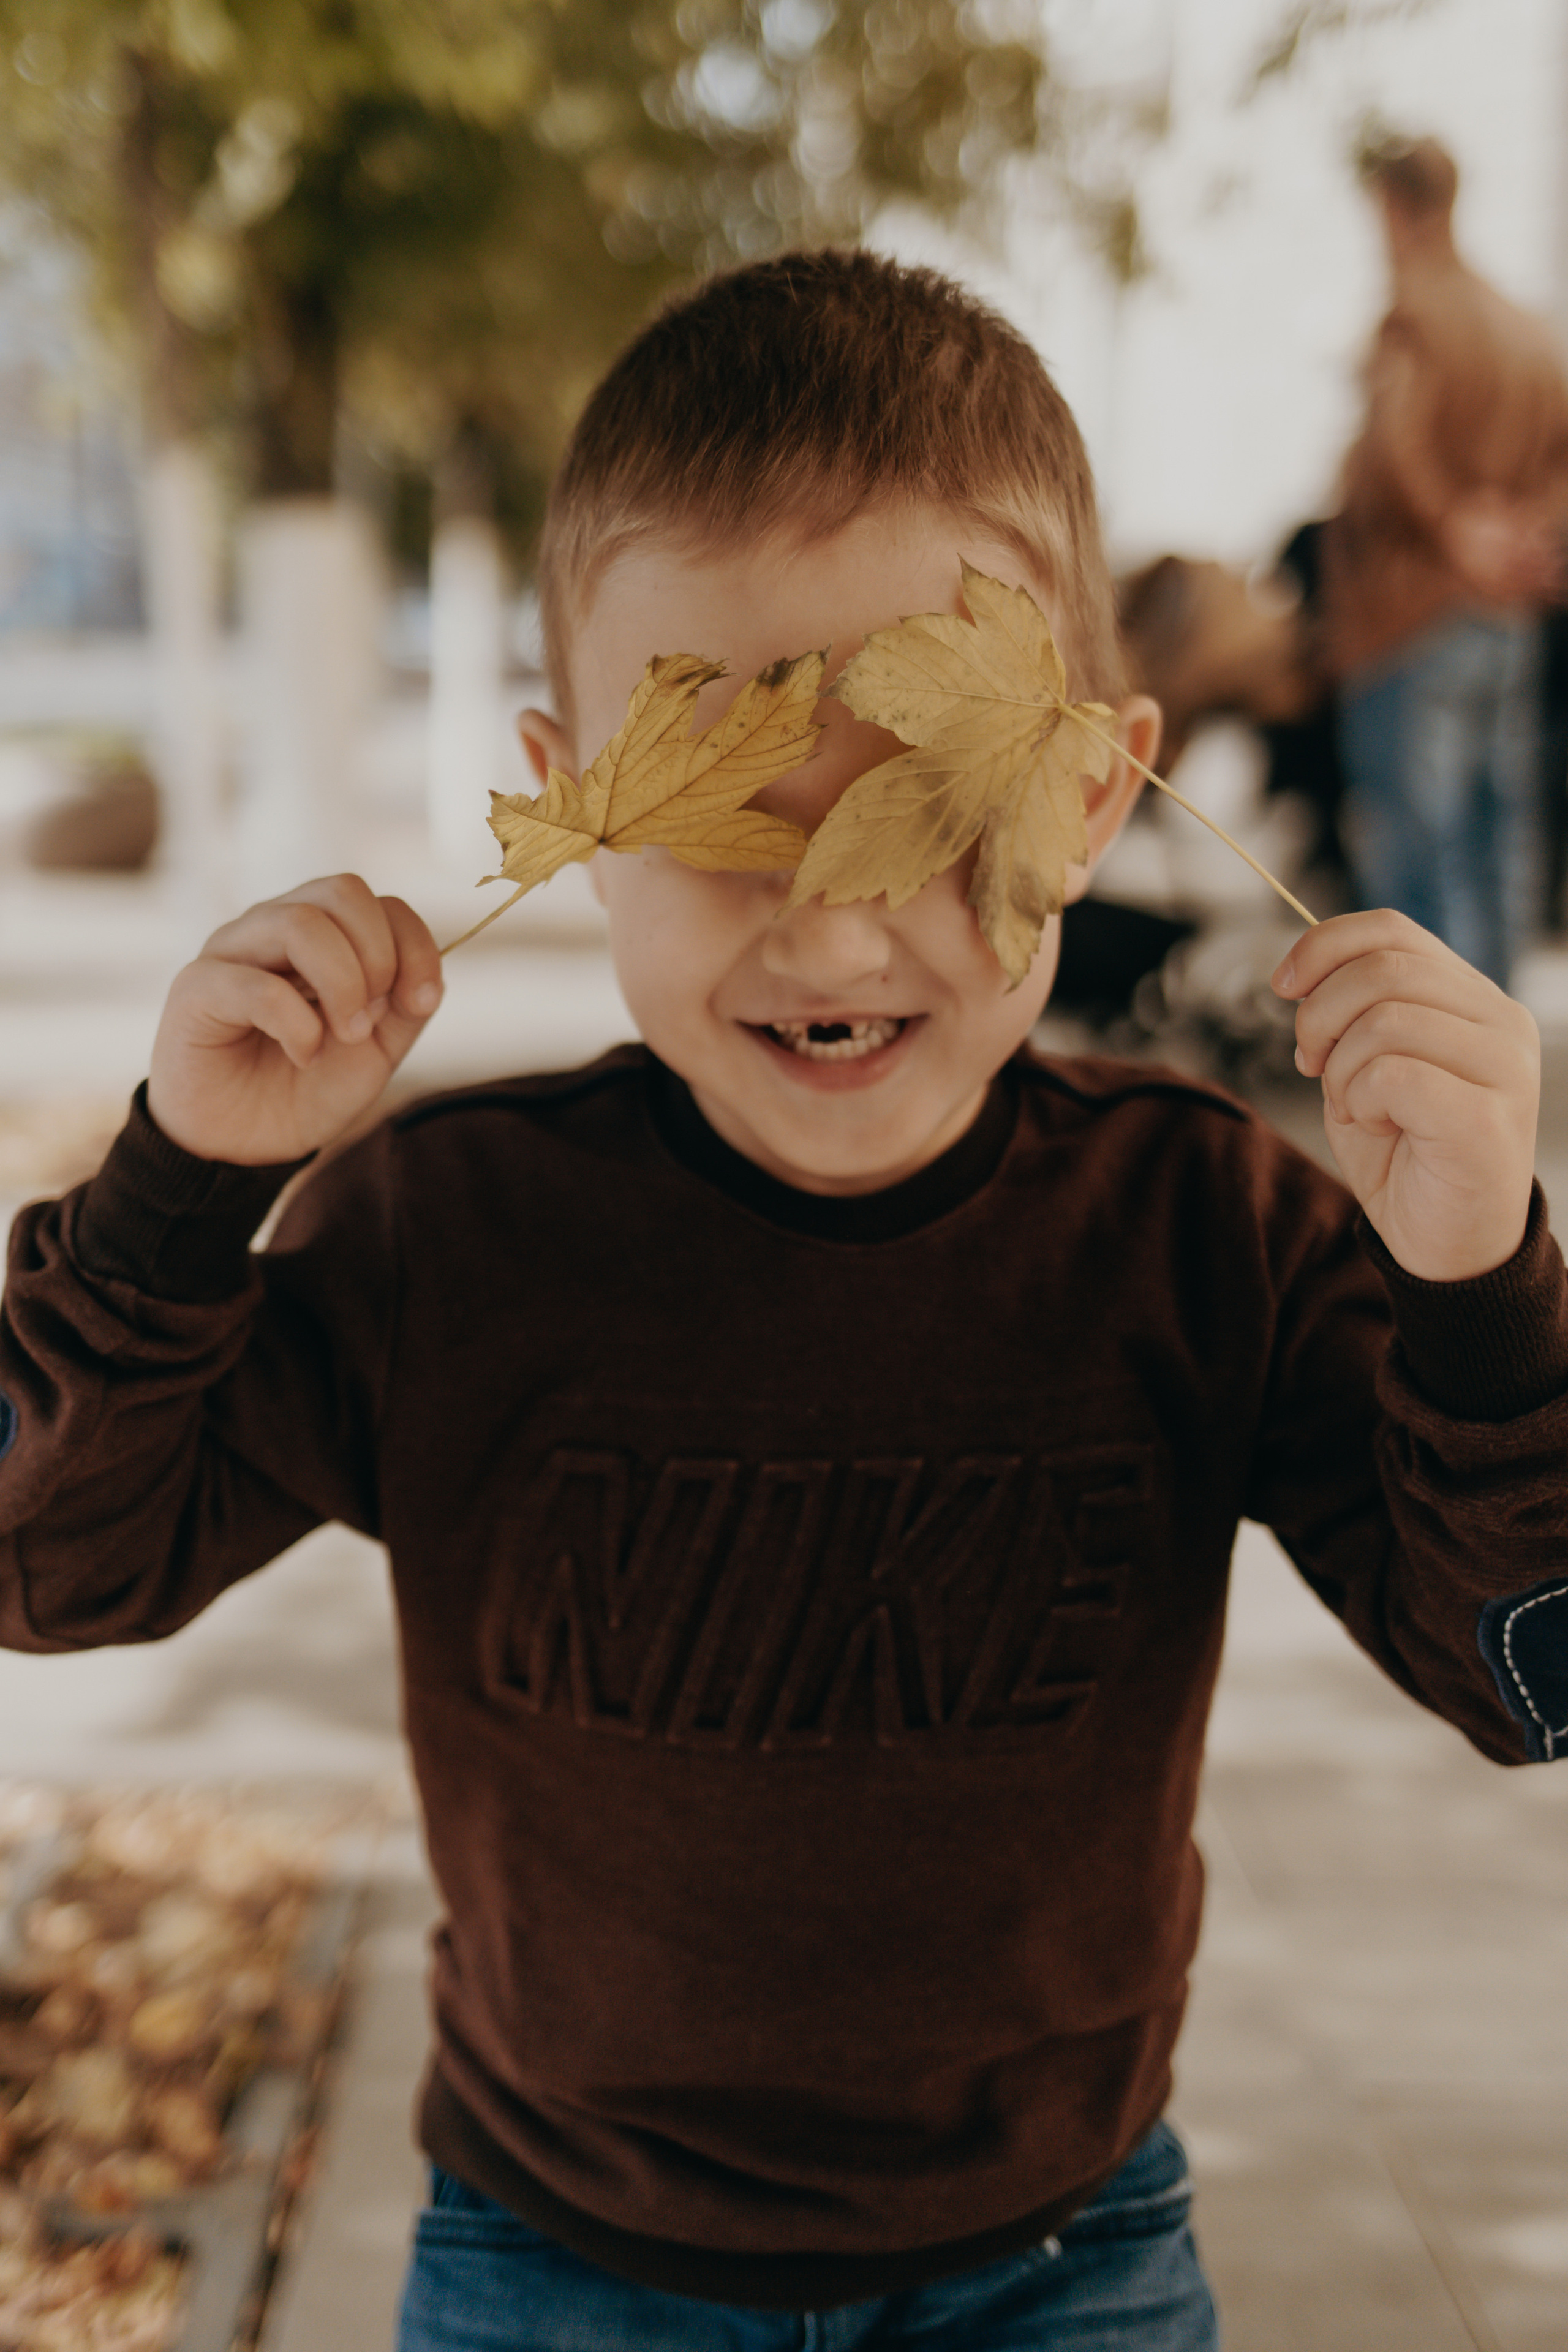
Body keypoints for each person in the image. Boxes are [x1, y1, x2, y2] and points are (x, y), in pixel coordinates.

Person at [2, 251, 1565, 2352]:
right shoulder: (448, 1233)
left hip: (1065, 2263)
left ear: (1097, 788)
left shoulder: (1208, 1236)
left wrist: (1479, 1279)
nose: (834, 927)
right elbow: (50, 1567)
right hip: (555, 2257)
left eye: (927, 808)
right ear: (577, 800)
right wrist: (183, 1194)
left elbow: (1529, 1673)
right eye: (733, 812)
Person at [1323, 133, 1568, 989]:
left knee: (1416, 853)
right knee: (1499, 844)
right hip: (1508, 618)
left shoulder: (1416, 311)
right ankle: (1497, 1053)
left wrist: (1457, 525)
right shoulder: (1527, 328)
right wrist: (1530, 534)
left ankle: (1432, 1058)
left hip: (1412, 617)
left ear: (1394, 206)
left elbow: (1392, 450)